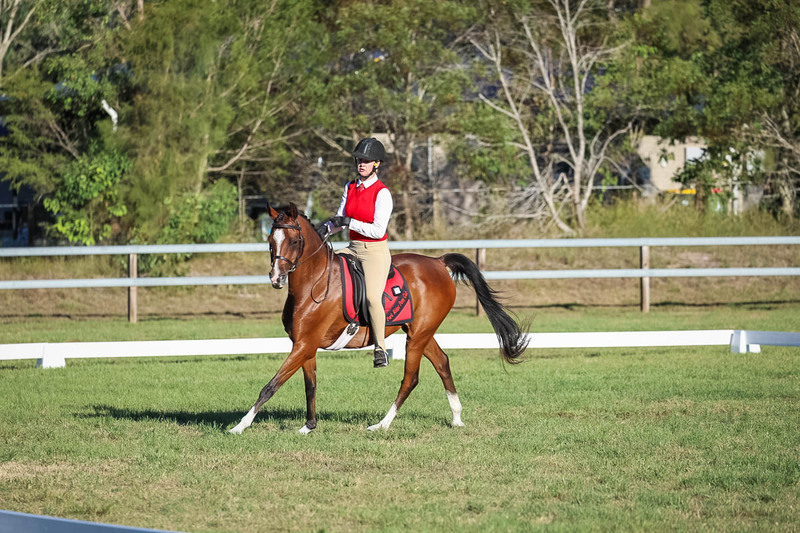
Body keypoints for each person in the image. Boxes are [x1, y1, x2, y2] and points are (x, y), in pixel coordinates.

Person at [319, 137, 393, 368]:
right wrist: (324, 229)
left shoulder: (382, 193)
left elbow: (377, 230)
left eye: (366, 161)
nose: (361, 164)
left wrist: (349, 222)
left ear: (377, 164)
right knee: (325, 269)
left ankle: (380, 348)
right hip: (352, 247)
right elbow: (340, 220)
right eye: (359, 160)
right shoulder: (350, 187)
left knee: (372, 297)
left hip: (374, 251)